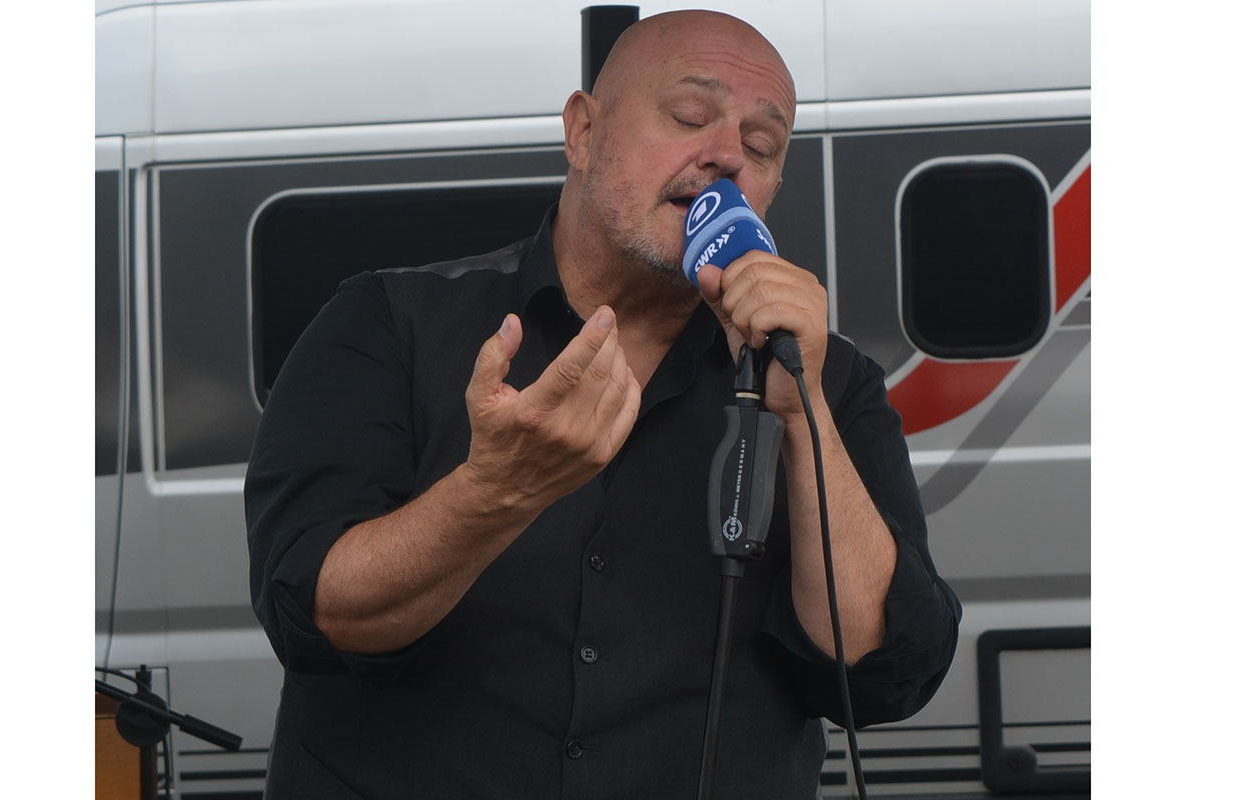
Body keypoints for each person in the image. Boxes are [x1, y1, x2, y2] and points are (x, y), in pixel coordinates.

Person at [246, 9, 960, 798]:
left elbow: (884, 672)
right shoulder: (386, 324)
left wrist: (803, 415)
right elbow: (309, 613)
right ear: (583, 132)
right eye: (690, 116)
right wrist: (496, 494)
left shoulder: (827, 375)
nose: (725, 157)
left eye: (761, 147)